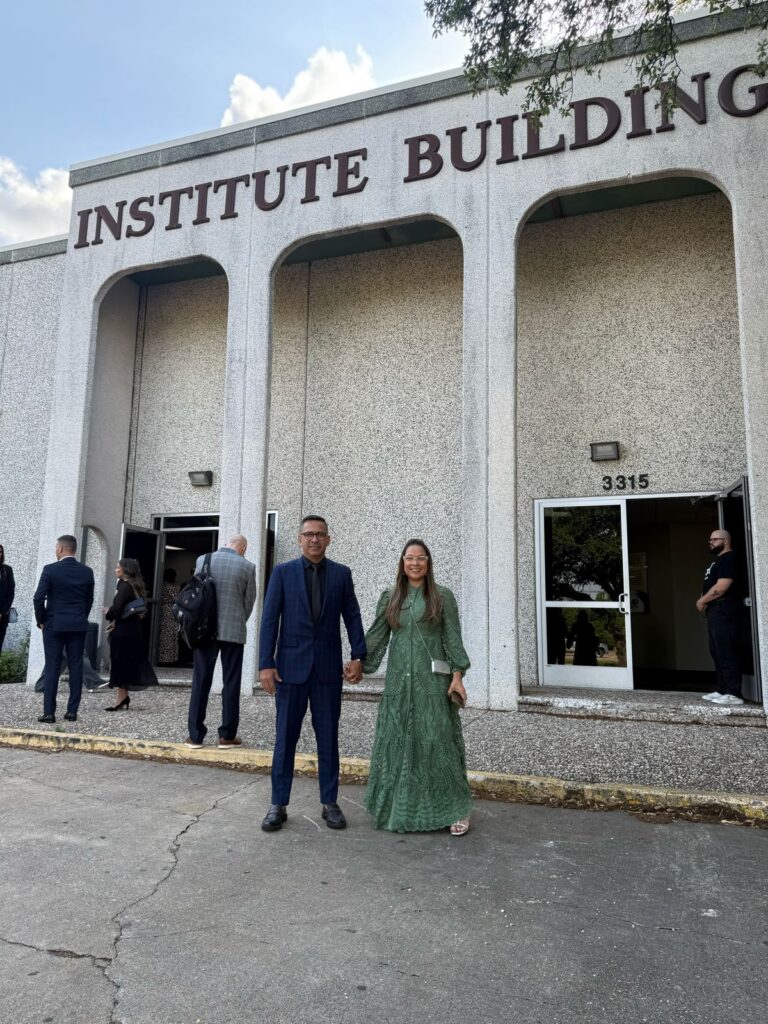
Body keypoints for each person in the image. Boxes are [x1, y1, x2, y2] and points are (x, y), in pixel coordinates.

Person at [259, 515, 366, 832]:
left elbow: (352, 615)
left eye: (320, 534)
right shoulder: (283, 573)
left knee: (328, 738)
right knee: (285, 739)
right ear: (299, 538)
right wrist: (265, 663)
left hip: (327, 671)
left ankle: (330, 802)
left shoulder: (341, 574)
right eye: (308, 534)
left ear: (328, 539)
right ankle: (278, 803)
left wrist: (358, 655)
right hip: (289, 670)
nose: (314, 539)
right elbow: (269, 619)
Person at [362, 539, 472, 836]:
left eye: (420, 558)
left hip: (432, 684)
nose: (415, 563)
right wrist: (356, 663)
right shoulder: (390, 597)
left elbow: (453, 639)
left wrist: (458, 676)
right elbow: (376, 636)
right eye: (409, 558)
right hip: (398, 684)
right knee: (398, 744)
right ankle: (401, 809)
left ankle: (456, 810)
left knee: (438, 743)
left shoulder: (442, 596)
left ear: (428, 562)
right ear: (402, 562)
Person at [185, 534, 257, 749]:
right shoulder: (248, 567)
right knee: (231, 682)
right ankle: (227, 735)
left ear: (226, 544)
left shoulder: (203, 560)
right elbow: (249, 602)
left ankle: (195, 736)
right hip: (233, 631)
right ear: (243, 548)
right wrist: (237, 619)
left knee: (201, 681)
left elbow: (194, 592)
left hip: (204, 630)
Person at [33, 534, 94, 724]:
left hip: (53, 624)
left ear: (60, 548)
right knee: (76, 666)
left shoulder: (50, 570)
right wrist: (81, 617)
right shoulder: (87, 572)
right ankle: (72, 711)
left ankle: (49, 713)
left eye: (55, 548)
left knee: (52, 666)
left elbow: (38, 597)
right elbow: (89, 600)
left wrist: (41, 620)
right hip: (77, 624)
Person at [103, 557, 158, 710]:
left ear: (126, 569)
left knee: (120, 663)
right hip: (134, 629)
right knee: (125, 663)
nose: (116, 569)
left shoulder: (125, 586)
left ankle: (121, 699)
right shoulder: (136, 585)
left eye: (118, 567)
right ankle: (123, 697)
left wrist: (108, 612)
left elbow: (117, 608)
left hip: (123, 631)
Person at [697, 528, 744, 706]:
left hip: (725, 608)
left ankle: (734, 692)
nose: (711, 542)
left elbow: (722, 586)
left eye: (714, 539)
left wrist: (702, 600)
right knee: (716, 651)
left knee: (726, 650)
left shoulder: (729, 558)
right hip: (715, 609)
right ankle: (722, 689)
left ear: (725, 541)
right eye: (709, 540)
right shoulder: (718, 561)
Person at [158, 567, 180, 665]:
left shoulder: (162, 585)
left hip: (164, 611)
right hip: (169, 612)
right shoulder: (170, 586)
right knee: (169, 635)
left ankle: (164, 658)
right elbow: (177, 599)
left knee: (164, 635)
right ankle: (167, 659)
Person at [0, 543, 15, 655]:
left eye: (0, 552)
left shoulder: (7, 570)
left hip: (2, 615)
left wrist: (2, 611)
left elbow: (11, 593)